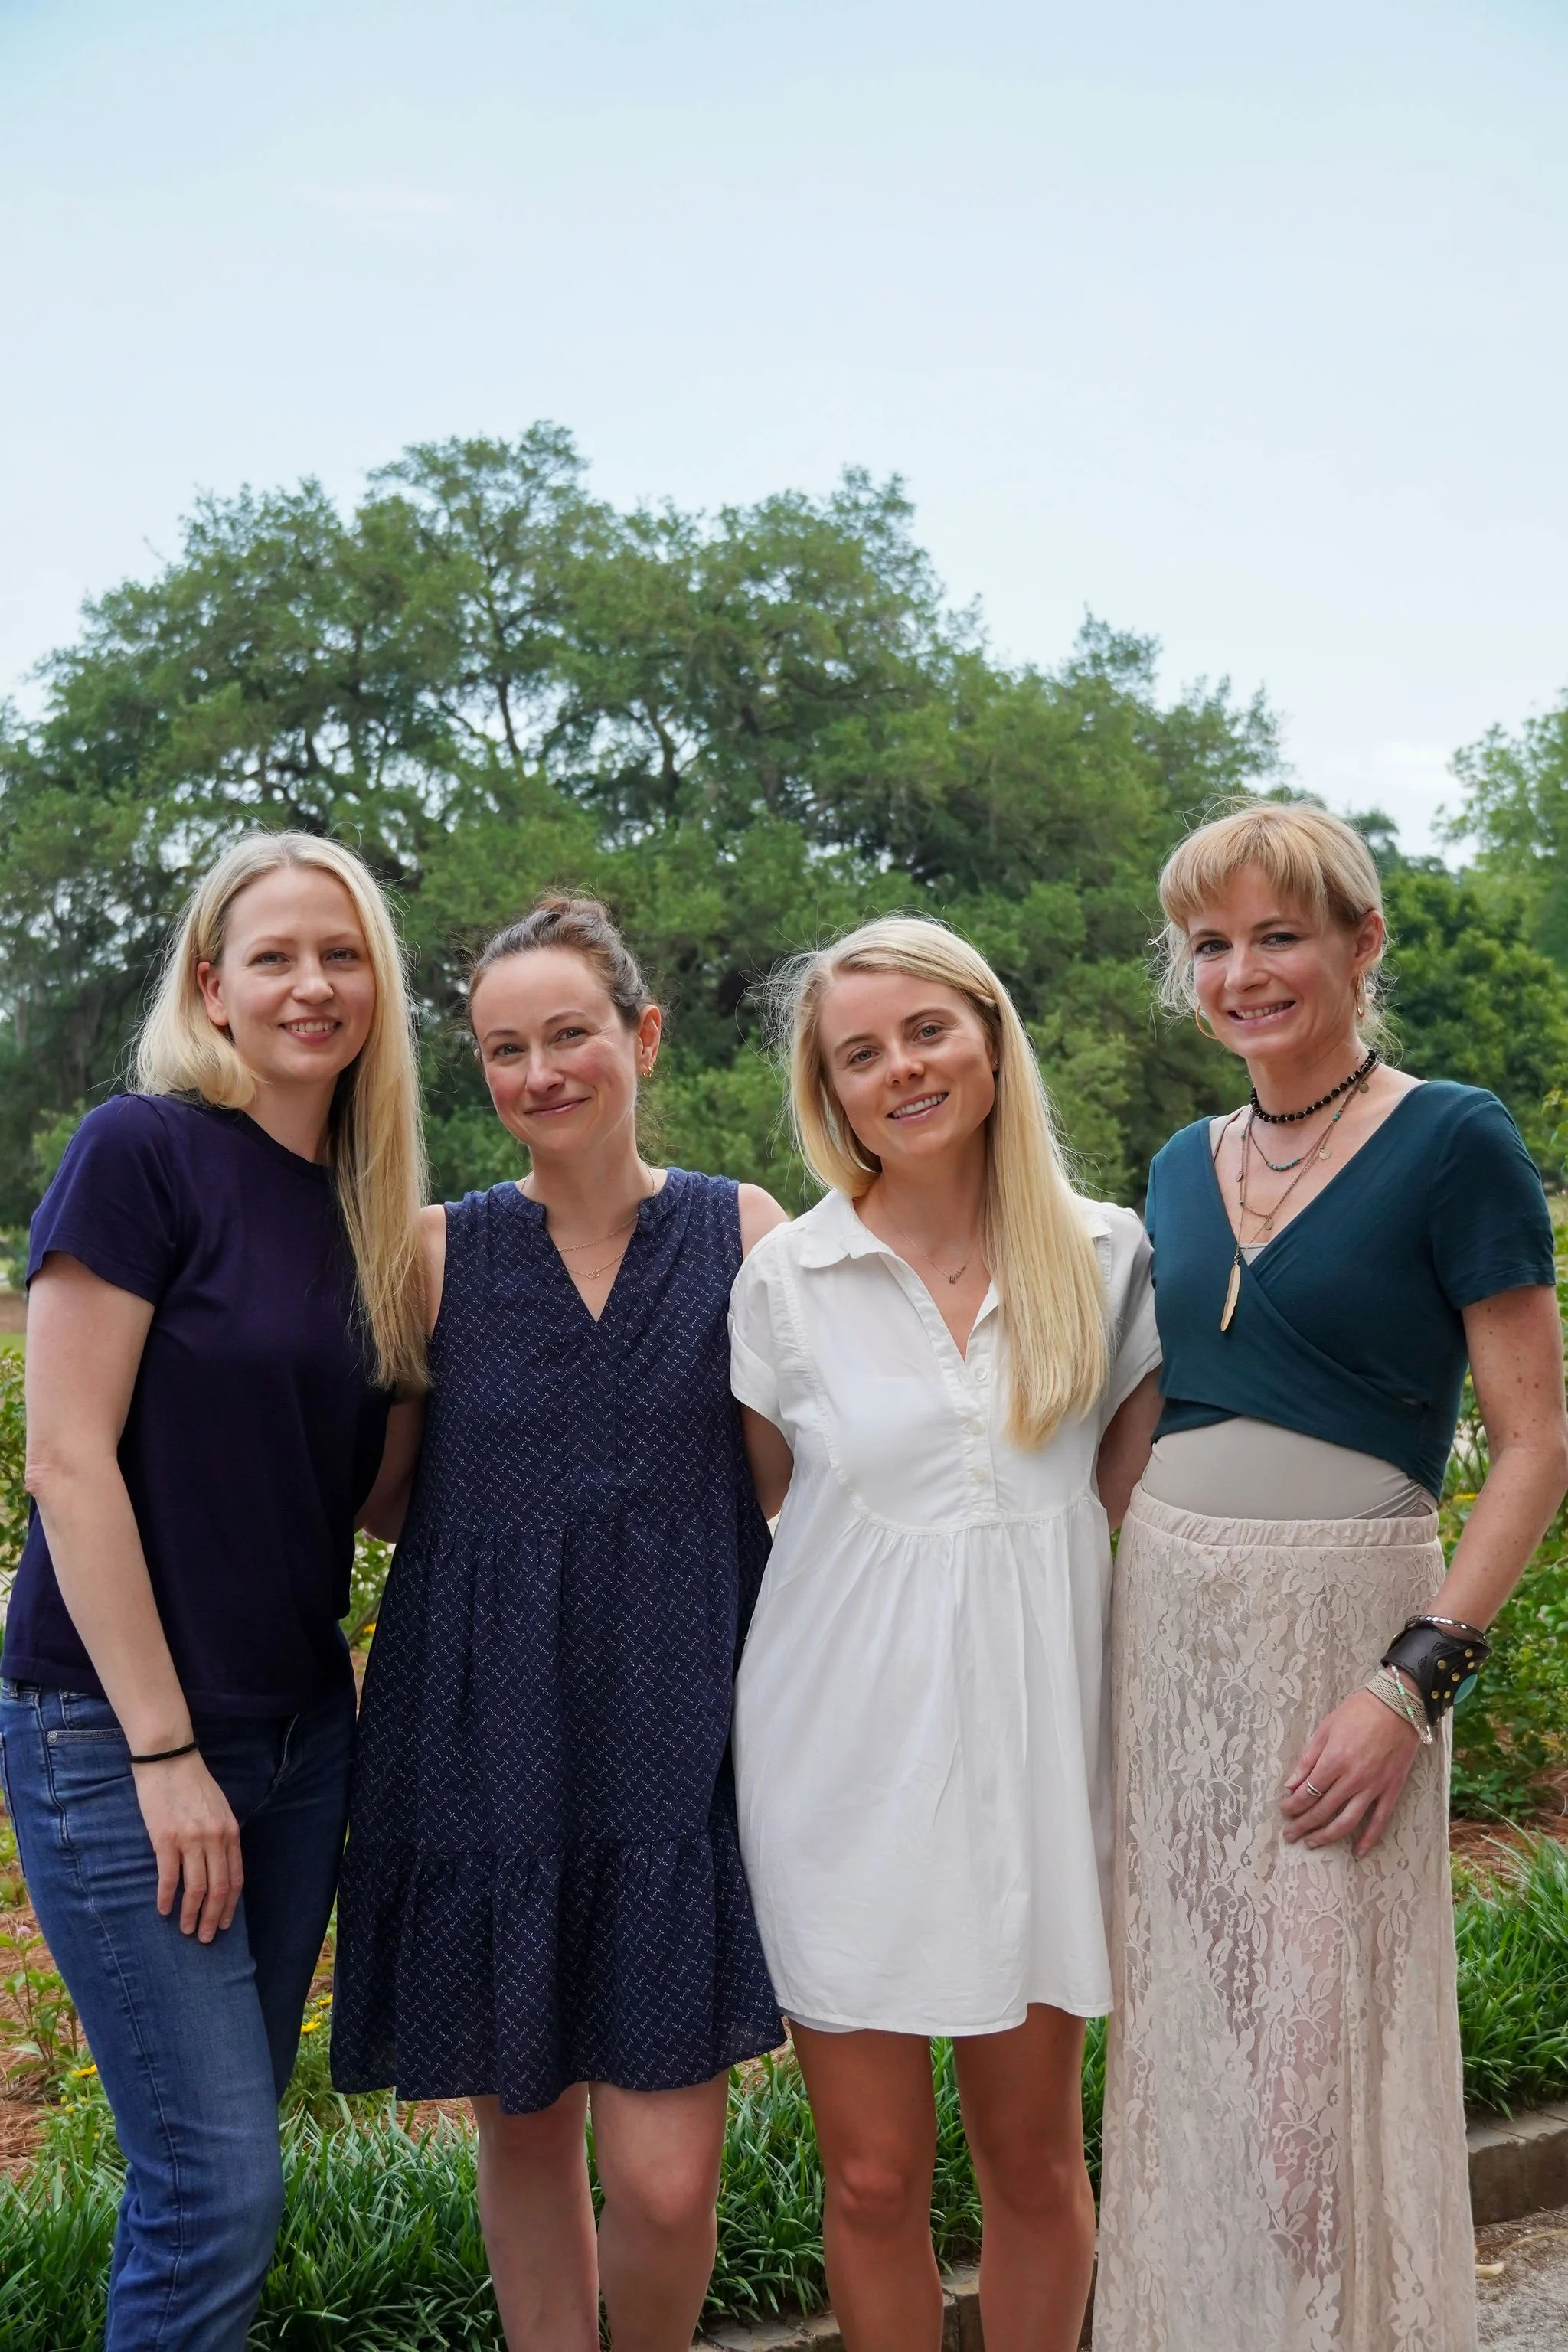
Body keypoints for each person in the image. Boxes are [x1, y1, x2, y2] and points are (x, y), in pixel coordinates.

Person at [1095, 803, 1568, 2352]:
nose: (1241, 972)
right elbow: (1143, 1414)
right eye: (1212, 944)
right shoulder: (1177, 1161)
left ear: (1360, 944)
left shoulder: (1454, 1139)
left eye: (1277, 934)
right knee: (1191, 2049)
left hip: (1346, 1646)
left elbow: (1535, 1445)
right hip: (1165, 1643)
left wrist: (1410, 1681)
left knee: (1316, 2075)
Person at [330, 893, 786, 2352]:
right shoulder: (433, 1253)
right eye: (505, 1048)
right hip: (485, 1742)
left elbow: (794, 1491)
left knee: (662, 2184)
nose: (542, 1073)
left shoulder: (745, 1234)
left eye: (572, 1035)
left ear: (642, 1037)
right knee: (523, 2141)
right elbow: (389, 1500)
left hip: (678, 1747)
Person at [0, 832, 426, 2351]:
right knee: (218, 2189)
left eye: (343, 953)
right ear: (211, 984)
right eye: (275, 956)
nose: (313, 984)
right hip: (122, 1739)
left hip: (303, 1741)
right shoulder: (143, 1151)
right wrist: (165, 1753)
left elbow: (371, 1498)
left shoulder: (365, 1210)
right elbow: (66, 1459)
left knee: (206, 2181)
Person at [728, 915, 1162, 2352]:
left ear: (988, 1036)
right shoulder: (785, 1283)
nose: (902, 1070)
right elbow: (771, 1532)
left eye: (927, 1031)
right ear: (829, 1091)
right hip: (837, 1777)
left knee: (1035, 2165)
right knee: (869, 2178)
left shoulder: (1107, 1259)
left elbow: (1139, 1526)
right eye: (862, 1054)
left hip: (1035, 1772)